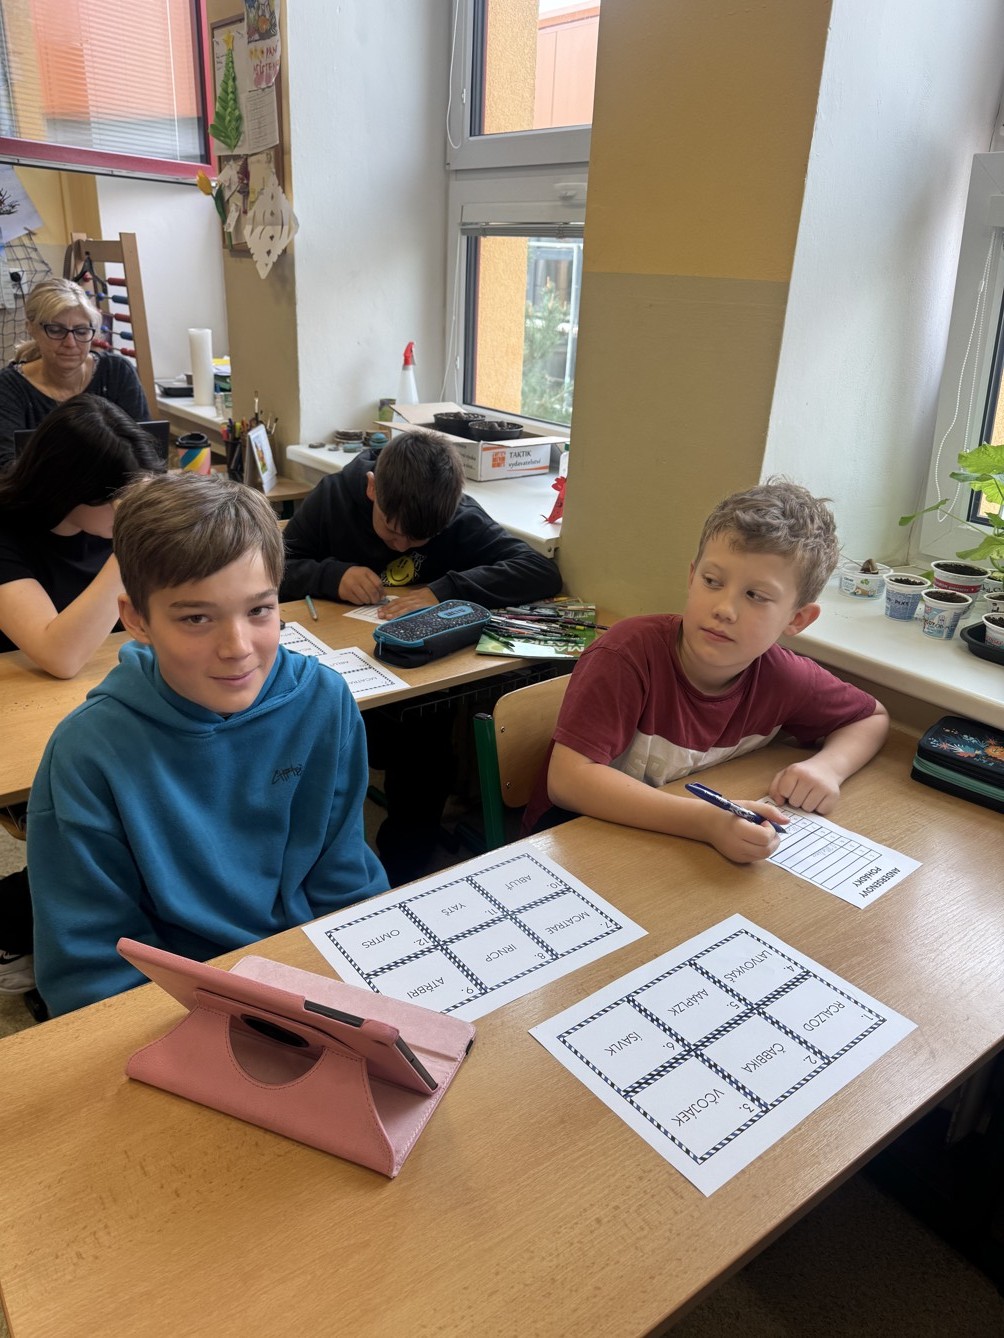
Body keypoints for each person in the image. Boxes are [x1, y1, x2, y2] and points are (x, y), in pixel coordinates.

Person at [27, 472, 388, 1016]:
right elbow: (92, 967)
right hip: (181, 1001)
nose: (237, 648)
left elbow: (342, 875)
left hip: (309, 971)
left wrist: (363, 985)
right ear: (137, 619)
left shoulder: (324, 700)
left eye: (259, 610)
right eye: (196, 618)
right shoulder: (87, 753)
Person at [523, 480, 890, 863]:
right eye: (712, 582)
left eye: (755, 596)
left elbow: (871, 718)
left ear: (797, 619)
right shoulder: (627, 654)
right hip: (571, 847)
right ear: (691, 577)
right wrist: (705, 822)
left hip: (667, 854)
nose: (724, 609)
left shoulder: (785, 678)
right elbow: (568, 780)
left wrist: (828, 768)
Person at [280, 432, 563, 884]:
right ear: (372, 488)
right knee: (318, 761)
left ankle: (402, 873)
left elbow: (539, 570)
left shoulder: (455, 513)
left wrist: (443, 590)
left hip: (417, 689)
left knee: (427, 762)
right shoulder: (334, 496)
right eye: (393, 531)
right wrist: (331, 575)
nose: (402, 547)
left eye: (420, 539)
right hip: (338, 682)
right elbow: (272, 565)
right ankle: (320, 870)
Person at [0, 396, 165, 1002]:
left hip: (114, 702)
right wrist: (130, 548)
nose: (134, 513)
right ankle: (40, 934)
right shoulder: (9, 533)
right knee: (119, 819)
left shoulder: (105, 521)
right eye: (124, 502)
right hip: (32, 723)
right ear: (73, 491)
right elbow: (59, 654)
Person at [0, 275, 150, 469]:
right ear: (31, 328)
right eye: (56, 330)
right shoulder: (8, 388)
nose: (70, 343)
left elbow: (146, 453)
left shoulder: (117, 372)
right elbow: (6, 469)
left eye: (81, 331)